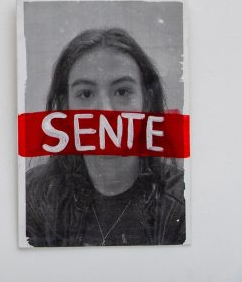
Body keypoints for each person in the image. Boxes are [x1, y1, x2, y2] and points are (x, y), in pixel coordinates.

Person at [25, 28, 185, 246]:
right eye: (86, 94)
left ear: (146, 103)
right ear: (65, 108)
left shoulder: (184, 199)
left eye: (122, 92)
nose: (105, 112)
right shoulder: (34, 194)